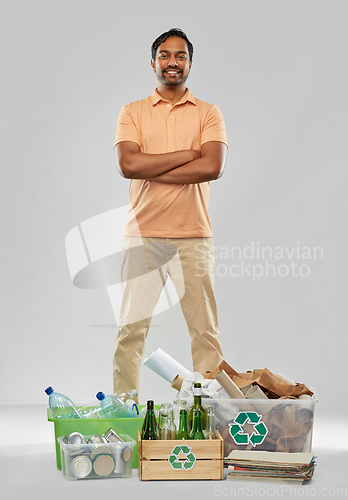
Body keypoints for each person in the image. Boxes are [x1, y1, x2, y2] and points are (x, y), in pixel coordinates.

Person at [113, 28, 228, 402]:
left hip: (193, 236)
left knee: (205, 333)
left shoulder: (209, 113)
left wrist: (154, 168)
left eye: (180, 56)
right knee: (130, 332)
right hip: (142, 235)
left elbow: (212, 167)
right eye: (165, 55)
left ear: (190, 63)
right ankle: (124, 414)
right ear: (153, 63)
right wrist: (186, 155)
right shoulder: (132, 111)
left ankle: (209, 418)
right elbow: (128, 164)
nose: (172, 62)